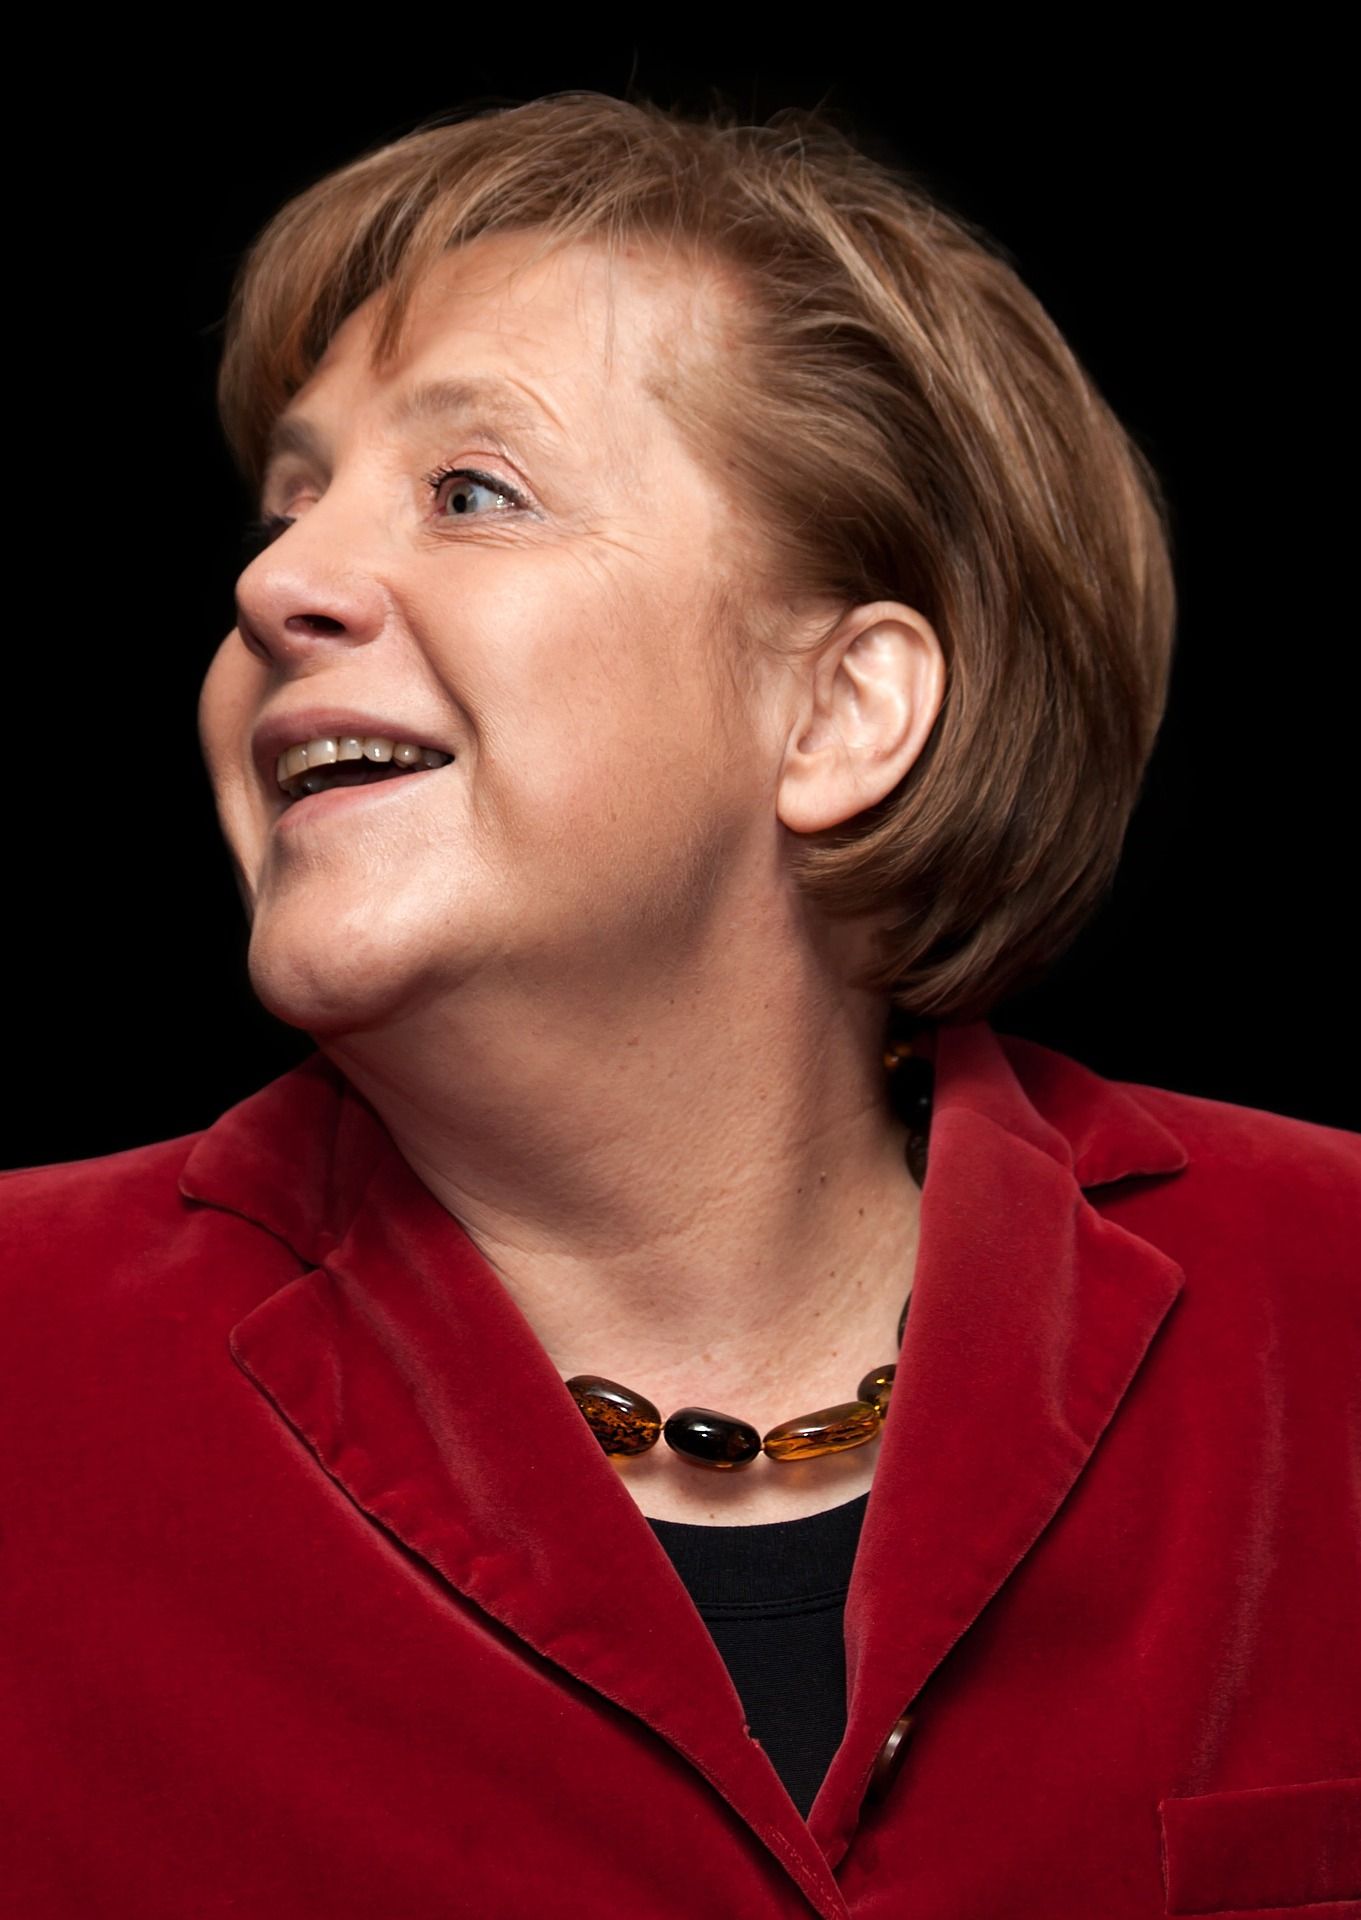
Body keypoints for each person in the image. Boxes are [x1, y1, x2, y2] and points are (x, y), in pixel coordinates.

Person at [3, 91, 1358, 1920]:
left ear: (839, 713)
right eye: (283, 508)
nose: (271, 583)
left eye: (470, 493)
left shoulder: (1332, 1304)